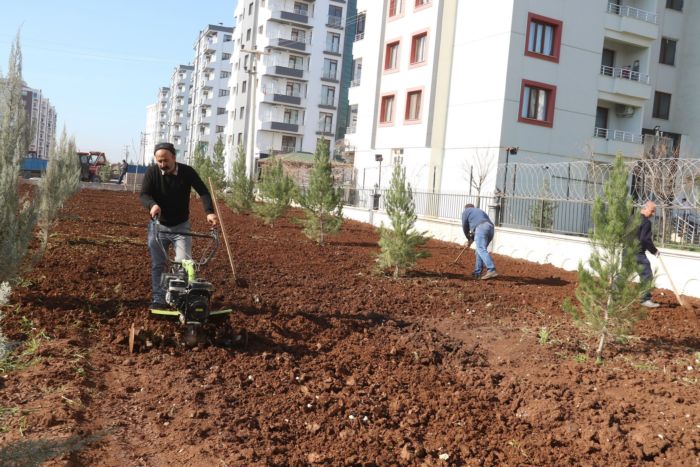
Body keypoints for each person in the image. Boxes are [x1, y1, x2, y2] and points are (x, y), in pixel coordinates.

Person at [140, 142, 218, 309]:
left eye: (165, 160)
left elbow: (203, 191)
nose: (162, 165)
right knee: (158, 264)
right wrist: (152, 205)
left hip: (181, 227)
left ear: (174, 158)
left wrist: (209, 212)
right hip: (158, 227)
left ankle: (180, 299)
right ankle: (159, 299)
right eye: (159, 161)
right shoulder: (152, 172)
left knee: (184, 264)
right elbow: (144, 194)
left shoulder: (187, 172)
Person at [461, 203, 498, 280]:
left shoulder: (466, 211)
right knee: (479, 251)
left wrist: (468, 239)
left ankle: (491, 269)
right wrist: (471, 240)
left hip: (481, 228)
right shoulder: (478, 211)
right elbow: (476, 230)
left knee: (480, 249)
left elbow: (465, 226)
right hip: (490, 228)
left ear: (466, 208)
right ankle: (477, 273)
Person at [637, 201, 660, 308]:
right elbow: (645, 239)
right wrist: (654, 251)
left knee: (622, 274)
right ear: (645, 208)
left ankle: (613, 296)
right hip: (638, 253)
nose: (653, 214)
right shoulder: (646, 222)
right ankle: (645, 299)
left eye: (654, 211)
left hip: (627, 251)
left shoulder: (632, 219)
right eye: (652, 211)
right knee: (646, 275)